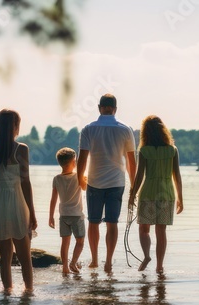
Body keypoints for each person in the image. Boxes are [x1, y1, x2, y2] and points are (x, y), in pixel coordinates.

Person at [77, 93, 136, 273]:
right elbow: (131, 161)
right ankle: (108, 262)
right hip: (117, 182)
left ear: (99, 108)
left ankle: (94, 259)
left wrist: (80, 179)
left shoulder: (89, 129)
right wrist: (134, 186)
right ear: (115, 109)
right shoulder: (125, 129)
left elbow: (82, 158)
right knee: (112, 223)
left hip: (94, 181)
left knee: (93, 222)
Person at [0, 108, 37, 292]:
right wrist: (32, 212)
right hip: (17, 203)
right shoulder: (21, 149)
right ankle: (29, 293)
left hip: (0, 203)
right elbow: (25, 182)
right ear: (13, 126)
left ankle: (7, 292)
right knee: (25, 258)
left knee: (5, 258)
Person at [128, 115, 183, 273]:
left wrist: (132, 195)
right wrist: (181, 198)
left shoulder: (144, 151)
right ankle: (160, 266)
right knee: (161, 231)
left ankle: (146, 256)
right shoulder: (172, 150)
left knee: (144, 229)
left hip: (148, 193)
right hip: (166, 194)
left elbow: (139, 176)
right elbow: (177, 176)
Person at [48, 147, 86, 275]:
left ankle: (65, 267)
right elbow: (86, 188)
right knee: (80, 241)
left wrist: (50, 216)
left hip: (63, 215)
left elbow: (53, 199)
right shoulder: (78, 177)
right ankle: (73, 262)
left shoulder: (56, 179)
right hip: (76, 215)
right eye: (75, 161)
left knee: (65, 242)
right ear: (73, 163)